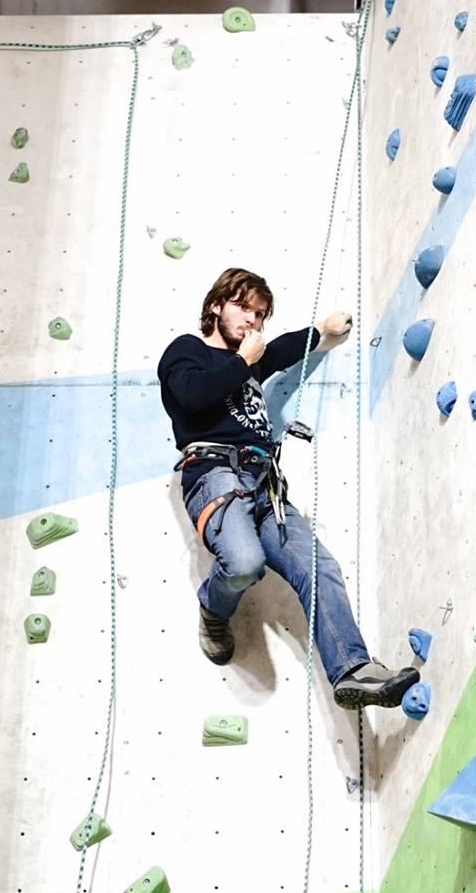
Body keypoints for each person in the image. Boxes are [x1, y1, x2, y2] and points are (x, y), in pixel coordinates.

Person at [158, 267, 420, 709]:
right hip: (215, 473)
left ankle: (352, 670)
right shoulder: (187, 351)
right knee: (244, 563)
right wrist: (243, 361)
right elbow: (192, 395)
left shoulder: (254, 355)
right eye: (243, 308)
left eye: (259, 315)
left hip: (265, 485)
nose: (252, 322)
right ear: (216, 304)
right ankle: (212, 607)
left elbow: (280, 351)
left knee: (320, 567)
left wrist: (322, 331)